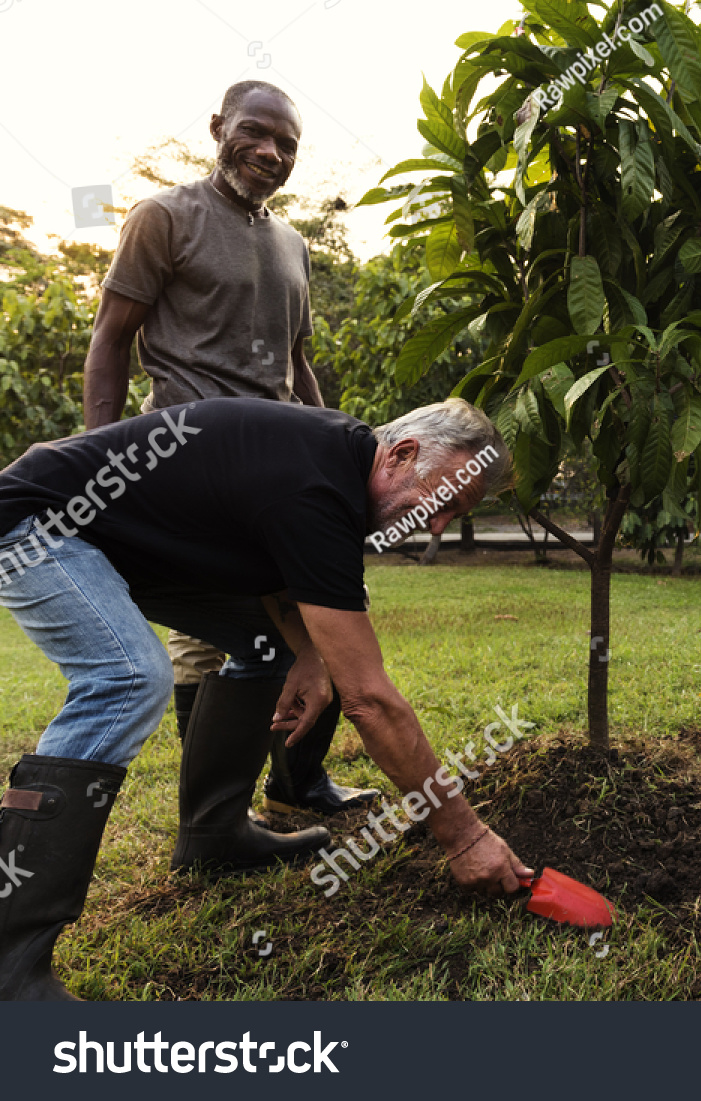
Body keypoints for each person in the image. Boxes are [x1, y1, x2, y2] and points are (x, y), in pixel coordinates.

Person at [0, 398, 529, 1000]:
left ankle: (213, 836)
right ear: (403, 454)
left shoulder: (339, 466)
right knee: (127, 678)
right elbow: (370, 701)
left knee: (268, 646)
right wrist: (463, 835)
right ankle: (9, 963)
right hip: (39, 524)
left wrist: (305, 652)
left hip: (130, 547)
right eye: (442, 502)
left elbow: (276, 561)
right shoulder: (315, 485)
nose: (435, 525)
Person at [82, 79, 376, 816]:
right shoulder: (163, 218)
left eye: (287, 145)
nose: (269, 152)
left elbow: (297, 362)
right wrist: (101, 459)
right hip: (189, 467)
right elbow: (111, 339)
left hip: (281, 475)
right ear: (218, 128)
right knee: (207, 639)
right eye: (255, 133)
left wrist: (337, 451)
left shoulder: (292, 245)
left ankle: (300, 781)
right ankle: (217, 808)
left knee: (327, 614)